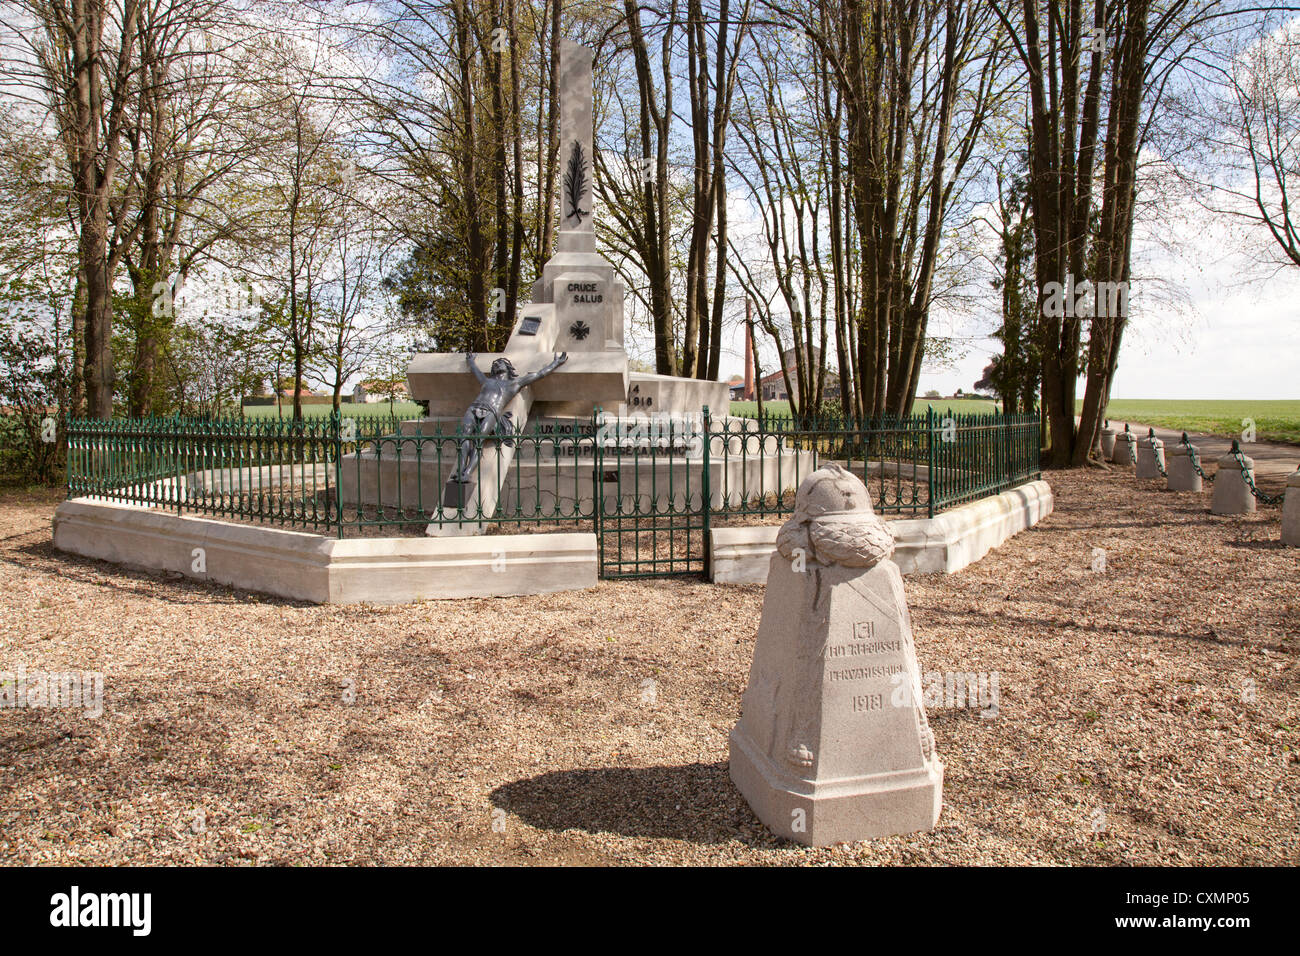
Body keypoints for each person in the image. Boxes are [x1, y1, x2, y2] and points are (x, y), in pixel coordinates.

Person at [452, 351, 568, 483]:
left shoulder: (514, 384)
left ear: (507, 367)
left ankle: (467, 472)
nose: (496, 365)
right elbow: (476, 372)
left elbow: (539, 374)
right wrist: (471, 361)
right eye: (494, 364)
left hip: (491, 411)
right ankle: (460, 469)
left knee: (479, 441)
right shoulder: (487, 381)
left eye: (499, 363)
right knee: (463, 438)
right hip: (474, 408)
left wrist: (555, 363)